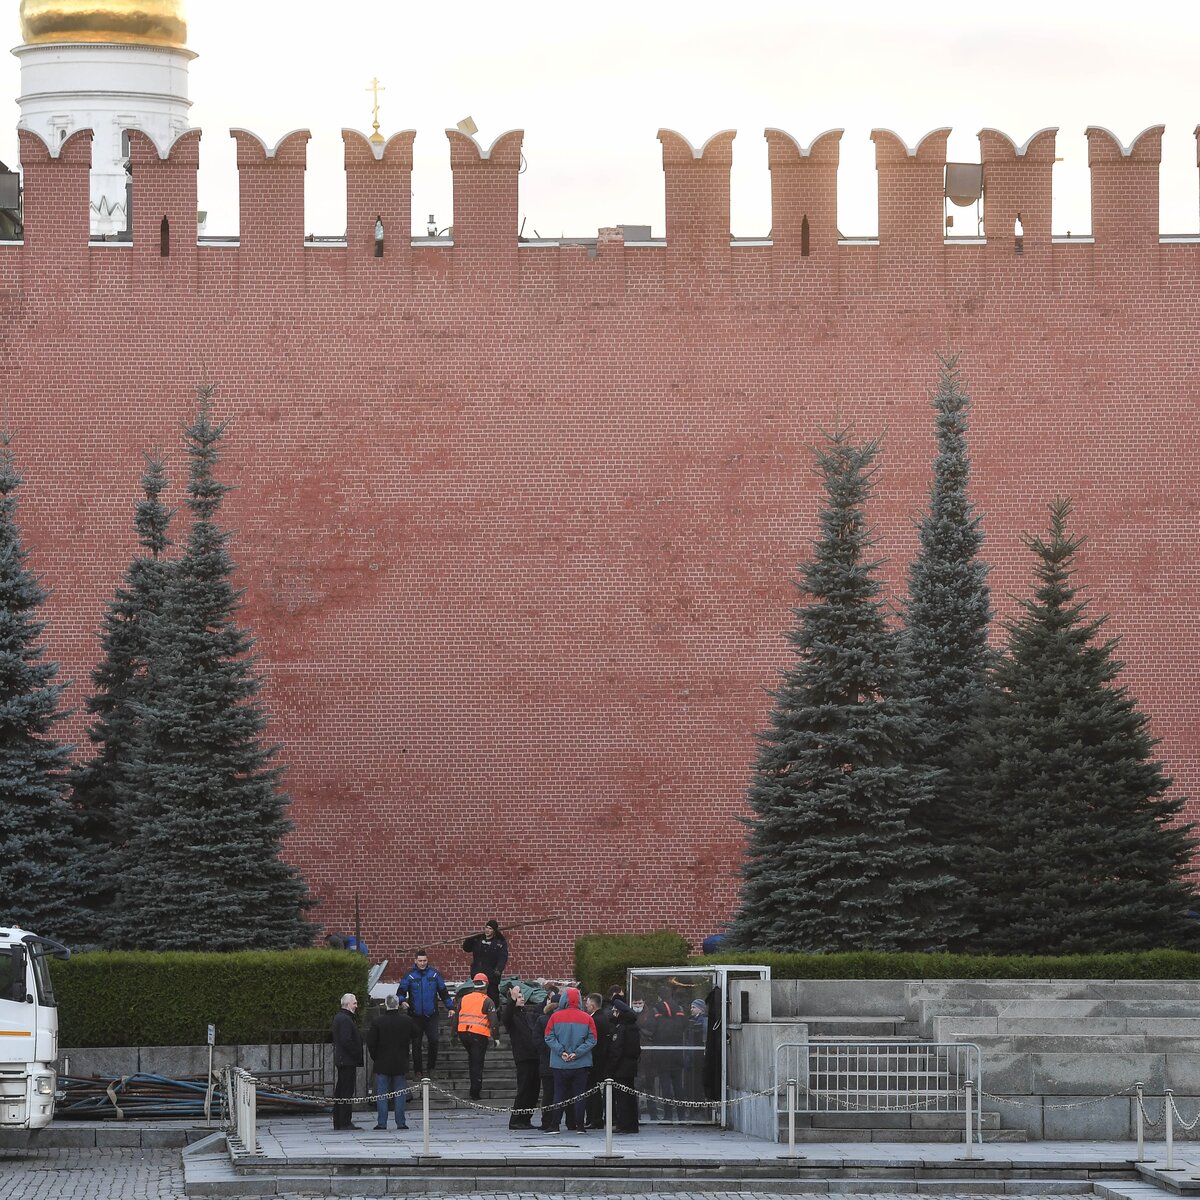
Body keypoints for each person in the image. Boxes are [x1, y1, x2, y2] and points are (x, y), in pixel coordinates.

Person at [541, 986, 597, 1134]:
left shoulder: (555, 1017)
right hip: (581, 1062)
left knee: (558, 1094)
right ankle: (579, 1125)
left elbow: (548, 1037)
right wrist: (576, 1053)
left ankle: (555, 1124)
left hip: (559, 1063)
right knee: (579, 1094)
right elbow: (592, 1040)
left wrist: (562, 1052)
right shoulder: (587, 1018)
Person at [397, 950, 453, 1077]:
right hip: (415, 1016)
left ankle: (431, 1068)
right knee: (416, 1044)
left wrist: (450, 1007)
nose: (422, 963)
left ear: (427, 961)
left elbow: (443, 992)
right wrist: (402, 1001)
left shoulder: (434, 974)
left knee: (434, 1040)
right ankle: (418, 1071)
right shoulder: (409, 976)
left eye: (424, 961)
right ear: (415, 961)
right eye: (420, 961)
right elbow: (400, 992)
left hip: (431, 1015)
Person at [365, 993, 415, 1130]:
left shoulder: (378, 1021)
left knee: (382, 1093)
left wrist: (375, 1056)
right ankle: (401, 1122)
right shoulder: (407, 1021)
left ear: (386, 1004)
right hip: (400, 1060)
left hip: (382, 1061)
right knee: (400, 1093)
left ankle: (382, 1122)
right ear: (398, 1005)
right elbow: (415, 1035)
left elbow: (370, 1042)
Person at [500, 982, 542, 1130]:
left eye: (522, 996)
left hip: (534, 1056)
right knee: (524, 1089)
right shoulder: (512, 1017)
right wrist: (511, 1000)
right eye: (518, 997)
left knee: (534, 1090)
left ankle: (526, 1118)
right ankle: (516, 1120)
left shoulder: (526, 1015)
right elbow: (506, 1016)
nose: (522, 998)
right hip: (523, 1057)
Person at [453, 971, 498, 1101]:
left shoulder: (464, 999)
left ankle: (474, 1088)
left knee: (472, 1059)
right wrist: (496, 1037)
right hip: (479, 1035)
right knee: (477, 1063)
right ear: (486, 986)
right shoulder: (487, 1001)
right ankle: (475, 1093)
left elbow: (456, 1017)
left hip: (463, 1034)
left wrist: (453, 1035)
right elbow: (494, 1021)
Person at [607, 998, 641, 1133]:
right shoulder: (632, 1027)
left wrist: (611, 1067)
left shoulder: (621, 1028)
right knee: (629, 1096)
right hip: (630, 1065)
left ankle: (624, 1124)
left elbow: (617, 1049)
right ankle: (631, 1124)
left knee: (622, 1098)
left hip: (621, 1066)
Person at [331, 992, 363, 1131]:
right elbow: (346, 1040)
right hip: (347, 1060)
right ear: (348, 1004)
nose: (356, 1005)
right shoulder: (345, 1019)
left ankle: (339, 1120)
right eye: (354, 1003)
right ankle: (344, 1121)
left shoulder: (342, 1017)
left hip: (343, 1059)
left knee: (341, 1091)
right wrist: (356, 1052)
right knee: (346, 1092)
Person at [583, 992, 612, 1129]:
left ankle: (594, 1118)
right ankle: (595, 1118)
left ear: (593, 1005)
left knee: (592, 1091)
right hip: (602, 1060)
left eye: (587, 1004)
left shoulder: (594, 1020)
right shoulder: (604, 1018)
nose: (586, 1006)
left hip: (595, 1061)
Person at [462, 920, 509, 1003]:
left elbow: (503, 957)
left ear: (494, 931)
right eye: (486, 928)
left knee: (493, 998)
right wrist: (469, 938)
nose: (487, 930)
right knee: (478, 998)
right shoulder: (478, 940)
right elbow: (466, 948)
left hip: (491, 976)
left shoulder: (499, 943)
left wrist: (498, 970)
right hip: (478, 974)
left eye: (490, 928)